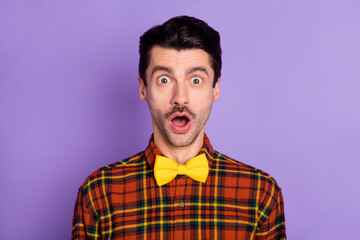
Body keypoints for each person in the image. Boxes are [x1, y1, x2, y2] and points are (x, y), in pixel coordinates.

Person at [72, 16, 286, 240]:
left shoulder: (261, 194)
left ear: (215, 89)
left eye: (196, 80)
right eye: (164, 80)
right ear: (143, 88)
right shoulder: (98, 194)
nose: (180, 98)